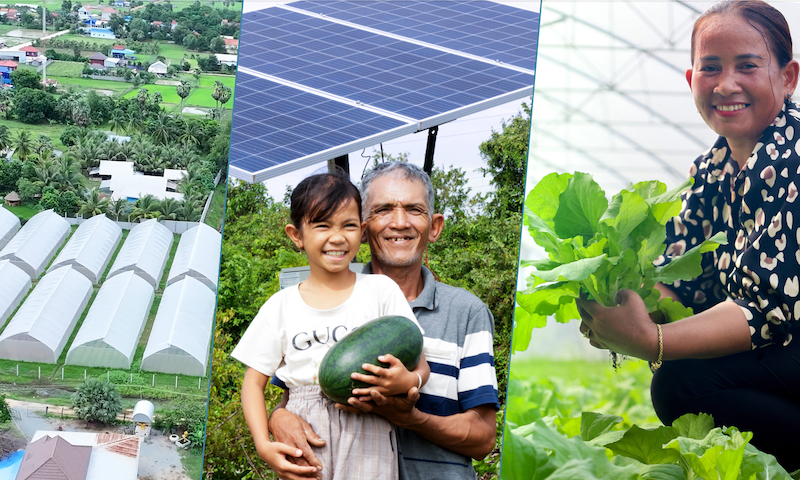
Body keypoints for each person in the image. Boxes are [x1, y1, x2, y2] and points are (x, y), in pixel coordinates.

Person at [576, 0, 800, 470]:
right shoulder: (711, 169)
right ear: (691, 80)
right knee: (682, 382)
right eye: (711, 68)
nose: (726, 84)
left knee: (681, 383)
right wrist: (618, 296)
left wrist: (647, 339)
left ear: (788, 77)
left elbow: (768, 309)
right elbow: (682, 278)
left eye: (748, 66)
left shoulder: (792, 155)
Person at [268, 162, 499, 480]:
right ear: (362, 228)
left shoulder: (467, 312)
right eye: (384, 210)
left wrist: (411, 418)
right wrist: (278, 419)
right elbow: (292, 397)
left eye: (414, 209)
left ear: (434, 226)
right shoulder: (318, 300)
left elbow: (484, 438)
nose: (400, 223)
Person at [232, 172, 430, 480]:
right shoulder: (280, 306)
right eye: (322, 225)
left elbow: (420, 367)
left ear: (362, 231)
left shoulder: (381, 290)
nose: (337, 237)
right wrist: (262, 444)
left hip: (369, 423)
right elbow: (253, 383)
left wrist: (406, 382)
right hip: (304, 429)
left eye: (348, 225)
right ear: (296, 234)